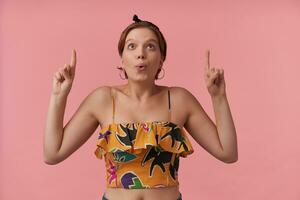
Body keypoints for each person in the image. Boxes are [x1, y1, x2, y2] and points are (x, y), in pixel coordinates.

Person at [43, 14, 238, 200]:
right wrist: (58, 96)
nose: (141, 54)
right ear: (122, 60)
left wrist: (218, 97)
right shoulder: (103, 99)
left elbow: (228, 153)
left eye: (150, 46)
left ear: (161, 60)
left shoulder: (179, 99)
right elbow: (52, 154)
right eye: (132, 46)